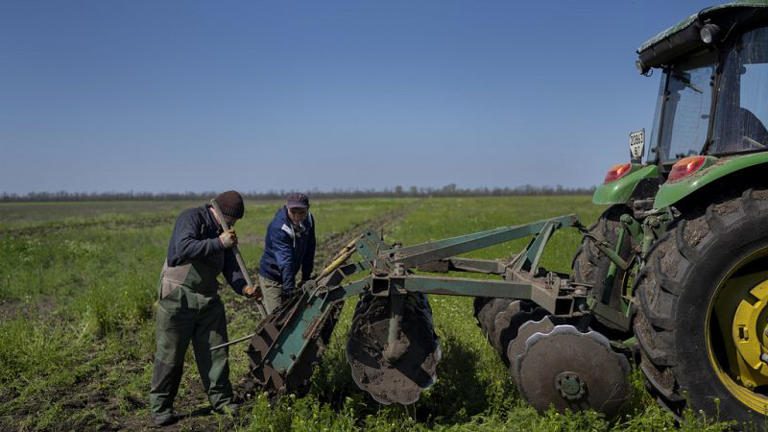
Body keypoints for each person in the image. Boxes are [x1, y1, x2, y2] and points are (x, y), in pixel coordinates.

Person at [149, 190, 260, 427]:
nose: (231, 225)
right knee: (171, 352)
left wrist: (244, 288)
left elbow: (230, 265)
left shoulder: (224, 231)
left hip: (208, 297)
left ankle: (221, 400)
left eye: (234, 222)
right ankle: (161, 407)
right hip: (178, 295)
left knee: (216, 349)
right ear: (217, 211)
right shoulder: (191, 218)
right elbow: (183, 248)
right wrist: (218, 242)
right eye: (230, 220)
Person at [258, 192, 316, 314]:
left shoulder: (309, 220)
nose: (297, 216)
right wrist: (289, 289)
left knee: (292, 314)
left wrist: (306, 277)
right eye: (293, 212)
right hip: (272, 276)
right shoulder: (279, 227)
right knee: (277, 317)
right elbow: (285, 261)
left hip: (289, 272)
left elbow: (310, 249)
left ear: (308, 209)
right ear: (287, 208)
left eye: (301, 212)